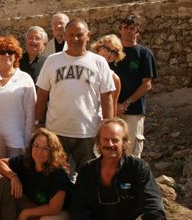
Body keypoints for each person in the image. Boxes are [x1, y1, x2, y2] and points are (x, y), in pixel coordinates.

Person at [64, 118, 174, 220]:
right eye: (105, 139)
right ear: (98, 142)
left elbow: (153, 202)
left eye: (115, 140)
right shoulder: (88, 169)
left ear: (124, 142)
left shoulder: (138, 167)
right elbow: (79, 206)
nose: (109, 144)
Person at [36, 19, 115, 175]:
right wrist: (38, 123)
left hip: (88, 132)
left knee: (89, 176)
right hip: (56, 132)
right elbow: (42, 94)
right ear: (65, 36)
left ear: (88, 36)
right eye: (71, 35)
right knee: (55, 175)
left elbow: (107, 97)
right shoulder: (52, 60)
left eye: (79, 35)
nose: (75, 39)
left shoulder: (99, 62)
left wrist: (107, 128)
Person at [0, 128, 71, 220]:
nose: (39, 152)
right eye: (36, 146)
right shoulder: (26, 161)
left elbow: (54, 208)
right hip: (40, 206)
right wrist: (13, 176)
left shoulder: (58, 173)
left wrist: (26, 213)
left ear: (53, 151)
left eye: (45, 148)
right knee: (7, 188)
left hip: (64, 212)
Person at [0, 35, 36, 158]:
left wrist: (28, 143)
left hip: (15, 142)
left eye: (10, 52)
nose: (6, 55)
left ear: (16, 56)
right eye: (2, 52)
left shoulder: (25, 78)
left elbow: (31, 114)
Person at [112, 15, 157, 157]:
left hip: (134, 110)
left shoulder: (144, 54)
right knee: (112, 147)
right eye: (125, 28)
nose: (128, 31)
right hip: (112, 109)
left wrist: (126, 103)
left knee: (132, 150)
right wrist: (114, 105)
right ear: (120, 30)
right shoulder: (112, 53)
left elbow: (147, 85)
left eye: (132, 28)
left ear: (138, 32)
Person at [91, 34, 125, 116]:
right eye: (106, 49)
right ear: (98, 48)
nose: (109, 54)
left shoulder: (114, 78)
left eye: (114, 52)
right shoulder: (85, 69)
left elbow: (112, 108)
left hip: (100, 122)